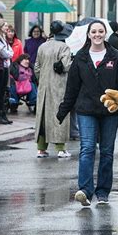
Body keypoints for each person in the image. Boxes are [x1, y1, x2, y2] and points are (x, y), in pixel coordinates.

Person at [57, 20, 118, 207]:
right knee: (87, 149)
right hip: (86, 110)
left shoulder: (115, 56)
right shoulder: (80, 57)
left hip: (110, 111)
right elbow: (72, 87)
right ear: (88, 35)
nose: (97, 35)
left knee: (106, 151)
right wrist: (63, 111)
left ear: (105, 34)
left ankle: (103, 191)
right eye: (94, 32)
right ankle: (85, 191)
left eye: (100, 31)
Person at [34, 21, 73, 158]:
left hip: (44, 86)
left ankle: (41, 149)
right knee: (59, 115)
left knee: (43, 116)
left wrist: (43, 78)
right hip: (59, 86)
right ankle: (61, 149)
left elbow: (37, 67)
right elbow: (66, 66)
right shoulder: (64, 47)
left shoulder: (42, 46)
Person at [0, 19, 13, 124]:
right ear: (0, 27)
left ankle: (3, 114)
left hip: (5, 66)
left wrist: (8, 53)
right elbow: (6, 54)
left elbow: (11, 52)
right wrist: (7, 53)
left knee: (3, 91)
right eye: (5, 26)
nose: (7, 28)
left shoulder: (4, 38)